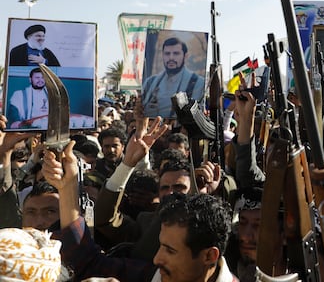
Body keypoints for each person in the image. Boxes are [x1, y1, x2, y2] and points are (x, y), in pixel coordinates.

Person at [43, 140, 238, 282]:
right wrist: (68, 188)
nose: (157, 258)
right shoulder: (150, 275)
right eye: (161, 245)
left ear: (209, 257)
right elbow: (87, 263)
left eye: (170, 250)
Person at [142, 37, 205, 118]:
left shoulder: (198, 84)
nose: (171, 58)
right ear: (162, 55)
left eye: (176, 53)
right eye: (167, 53)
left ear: (185, 56)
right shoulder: (150, 83)